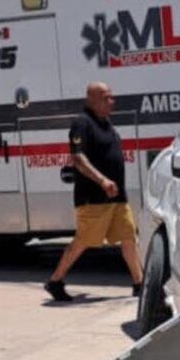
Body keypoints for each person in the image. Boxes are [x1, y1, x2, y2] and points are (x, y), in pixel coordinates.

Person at [44, 82, 143, 302]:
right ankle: (55, 281)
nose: (112, 101)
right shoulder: (82, 123)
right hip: (94, 198)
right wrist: (102, 180)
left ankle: (139, 284)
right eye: (107, 97)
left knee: (129, 238)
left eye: (112, 97)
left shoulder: (106, 124)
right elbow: (78, 158)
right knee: (83, 241)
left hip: (118, 197)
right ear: (92, 99)